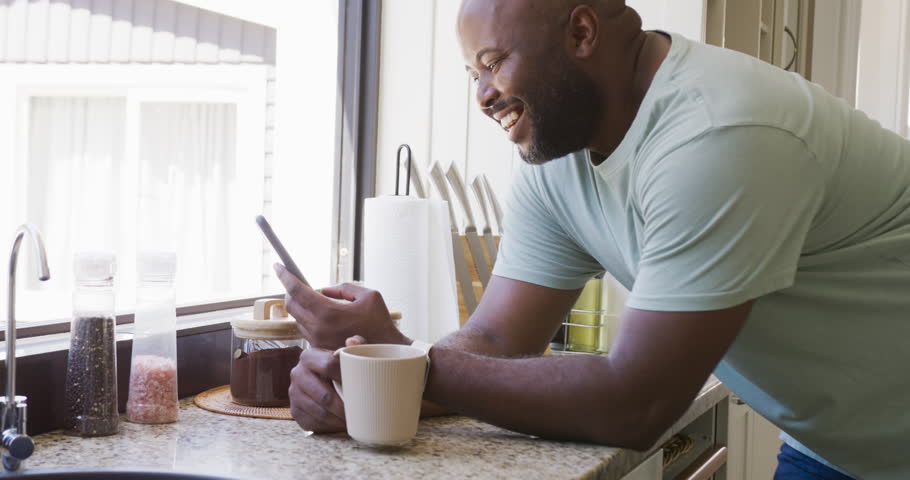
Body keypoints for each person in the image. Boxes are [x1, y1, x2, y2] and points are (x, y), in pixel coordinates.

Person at [275, 1, 910, 478]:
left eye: (493, 63)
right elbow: (496, 341)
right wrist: (368, 383)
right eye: (472, 72)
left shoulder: (720, 132)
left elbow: (638, 402)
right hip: (830, 446)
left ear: (581, 33)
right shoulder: (558, 158)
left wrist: (406, 365)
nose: (482, 94)